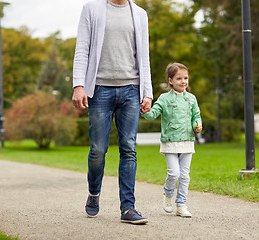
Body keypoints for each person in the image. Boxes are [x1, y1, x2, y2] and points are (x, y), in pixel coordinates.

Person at [72, 0, 153, 225]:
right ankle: (94, 192)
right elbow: (82, 49)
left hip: (131, 89)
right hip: (99, 89)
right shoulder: (92, 9)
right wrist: (79, 84)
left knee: (129, 148)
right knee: (98, 149)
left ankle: (128, 208)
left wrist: (147, 92)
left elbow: (144, 55)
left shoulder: (139, 14)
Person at [142, 63, 202, 218]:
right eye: (179, 78)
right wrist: (145, 111)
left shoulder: (191, 99)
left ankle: (181, 205)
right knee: (174, 173)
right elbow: (153, 113)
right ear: (170, 80)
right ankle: (168, 194)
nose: (183, 81)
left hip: (187, 140)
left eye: (186, 78)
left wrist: (198, 125)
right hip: (170, 141)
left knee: (184, 176)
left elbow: (197, 115)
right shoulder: (164, 98)